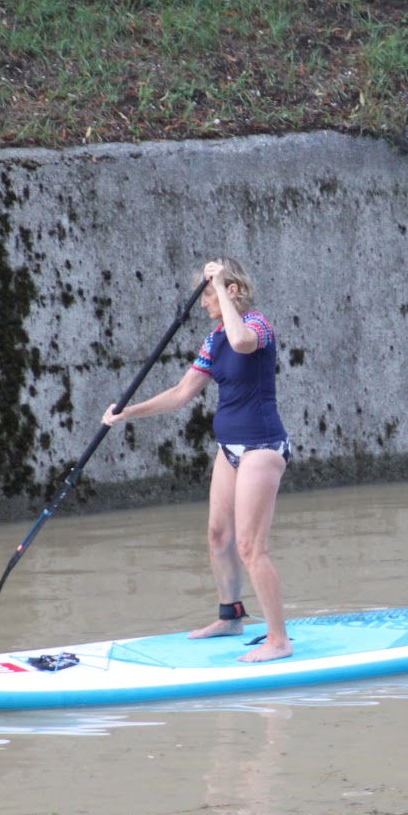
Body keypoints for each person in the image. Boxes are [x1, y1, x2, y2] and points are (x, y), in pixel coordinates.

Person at [103, 258, 293, 662]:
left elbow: (243, 343)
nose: (203, 305)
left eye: (208, 296)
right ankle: (231, 616)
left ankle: (279, 640)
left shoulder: (256, 327)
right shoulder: (214, 339)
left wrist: (220, 283)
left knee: (250, 546)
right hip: (228, 449)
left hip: (262, 448)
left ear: (231, 292)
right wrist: (127, 412)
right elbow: (181, 393)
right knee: (218, 535)